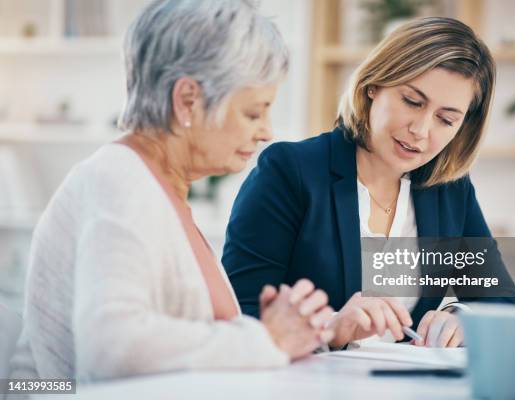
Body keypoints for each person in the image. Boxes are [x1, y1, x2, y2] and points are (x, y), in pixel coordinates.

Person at [9, 0, 334, 382]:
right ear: (187, 101)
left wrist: (293, 333)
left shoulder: (158, 190)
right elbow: (113, 348)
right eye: (252, 112)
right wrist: (266, 340)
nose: (266, 131)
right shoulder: (119, 181)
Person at [222, 17, 515, 350]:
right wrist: (331, 330)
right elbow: (238, 314)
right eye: (412, 101)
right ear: (373, 86)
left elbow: (505, 304)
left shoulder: (450, 190)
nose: (421, 131)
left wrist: (460, 315)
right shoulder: (289, 171)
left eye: (446, 119)